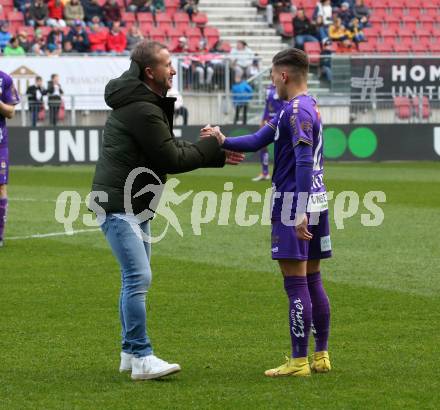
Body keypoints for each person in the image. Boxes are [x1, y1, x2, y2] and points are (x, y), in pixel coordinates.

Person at [89, 40, 244, 381]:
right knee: (138, 277)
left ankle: (130, 353)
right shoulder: (143, 108)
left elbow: (168, 148)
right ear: (150, 72)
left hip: (133, 203)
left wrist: (214, 155)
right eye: (167, 64)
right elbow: (170, 158)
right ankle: (142, 357)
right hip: (119, 204)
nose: (173, 70)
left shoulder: (142, 102)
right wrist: (211, 145)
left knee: (133, 278)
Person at [202, 48, 332, 377]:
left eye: (273, 74)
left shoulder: (297, 109)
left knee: (296, 282)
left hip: (295, 203)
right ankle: (320, 356)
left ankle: (298, 361)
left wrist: (298, 210)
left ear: (284, 75)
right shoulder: (303, 105)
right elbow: (259, 139)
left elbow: (302, 161)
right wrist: (223, 139)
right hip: (316, 199)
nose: (271, 80)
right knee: (313, 279)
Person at [0, 71, 20, 248]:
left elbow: (11, 112)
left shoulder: (4, 79)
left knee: (1, 186)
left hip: (0, 143)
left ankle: (0, 235)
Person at [252, 83, 286, 182]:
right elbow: (267, 107)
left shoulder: (284, 87)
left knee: (281, 147)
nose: (273, 75)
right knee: (263, 145)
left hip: (280, 120)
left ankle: (283, 174)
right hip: (269, 120)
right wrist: (263, 120)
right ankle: (265, 173)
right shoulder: (268, 89)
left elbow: (286, 104)